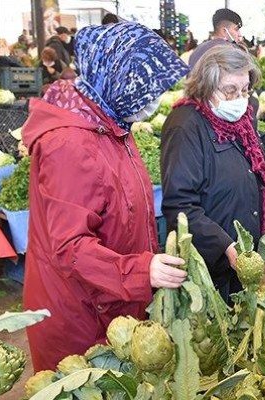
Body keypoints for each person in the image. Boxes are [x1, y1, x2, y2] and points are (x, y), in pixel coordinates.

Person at [22, 22, 189, 372]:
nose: (153, 100)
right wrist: (142, 271)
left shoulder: (112, 123)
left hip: (114, 304)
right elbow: (70, 249)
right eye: (145, 88)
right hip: (82, 320)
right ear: (118, 80)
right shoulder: (69, 144)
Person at [161, 45, 265, 302]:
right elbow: (180, 206)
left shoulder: (240, 119)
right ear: (205, 86)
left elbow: (252, 142)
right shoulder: (186, 126)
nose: (240, 97)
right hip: (210, 264)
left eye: (245, 90)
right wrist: (224, 245)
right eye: (230, 90)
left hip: (242, 256)